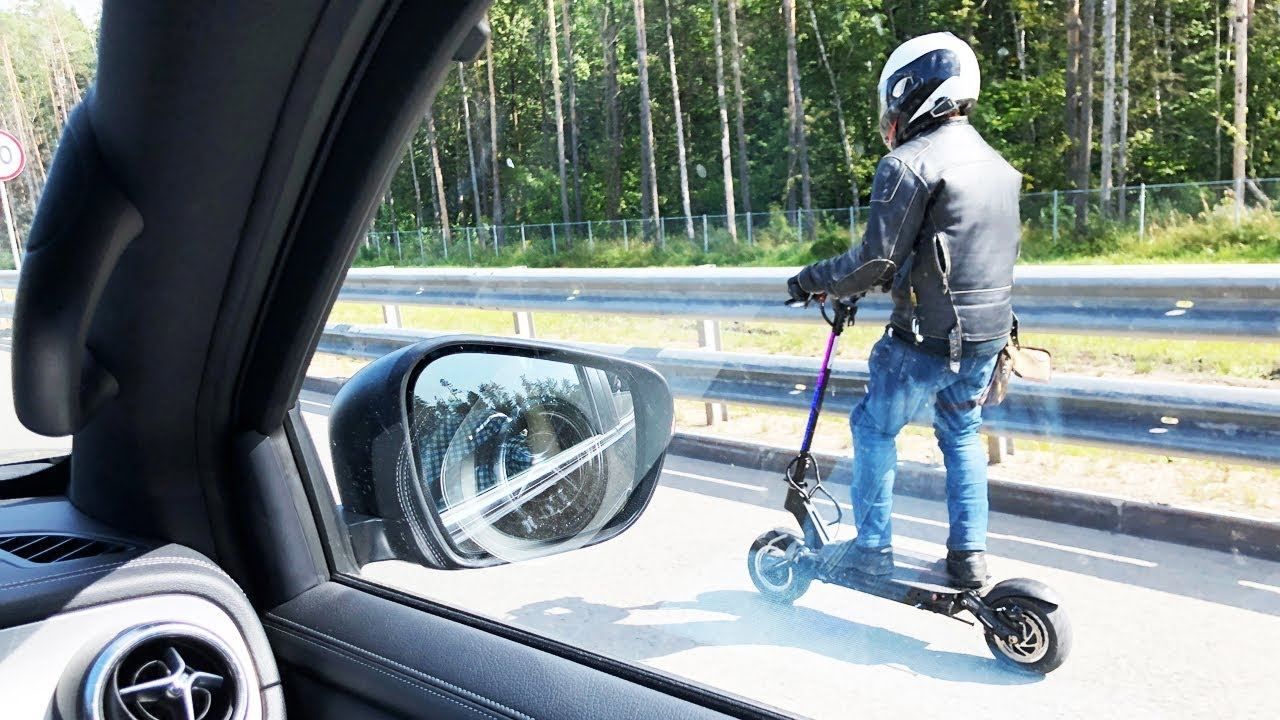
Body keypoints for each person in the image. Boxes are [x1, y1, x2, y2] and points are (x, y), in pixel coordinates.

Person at [786, 32, 1021, 588]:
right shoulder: (997, 165)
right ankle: (968, 559)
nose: (890, 112)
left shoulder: (909, 163)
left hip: (925, 342)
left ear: (913, 90)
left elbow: (876, 261)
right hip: (988, 338)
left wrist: (810, 281)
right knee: (961, 433)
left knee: (872, 428)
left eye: (895, 97)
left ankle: (872, 548)